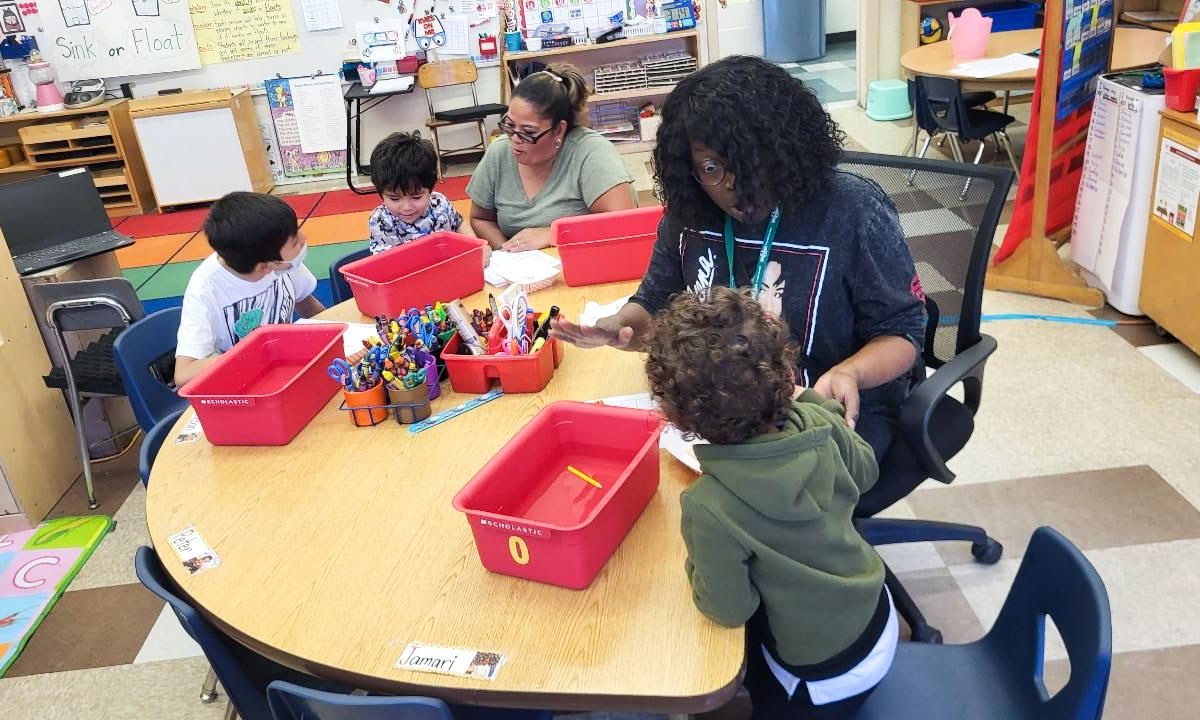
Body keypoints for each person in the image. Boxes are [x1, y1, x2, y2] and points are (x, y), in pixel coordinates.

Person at [551, 55, 926, 461]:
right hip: (723, 419)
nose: (733, 185)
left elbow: (904, 332)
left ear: (784, 149)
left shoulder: (851, 210)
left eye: (748, 164)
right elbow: (655, 303)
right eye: (711, 168)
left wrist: (850, 372)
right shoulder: (689, 213)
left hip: (828, 416)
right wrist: (621, 327)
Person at [645, 288, 897, 719]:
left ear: (677, 418)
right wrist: (815, 402)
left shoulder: (710, 505)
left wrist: (693, 565)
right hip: (878, 615)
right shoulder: (817, 419)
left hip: (820, 676)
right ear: (786, 371)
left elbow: (728, 609)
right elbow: (866, 471)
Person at [466, 63, 635, 252]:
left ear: (559, 130)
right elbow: (480, 218)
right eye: (510, 125)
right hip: (525, 273)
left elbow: (624, 224)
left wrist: (553, 234)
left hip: (584, 263)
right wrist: (507, 252)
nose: (514, 139)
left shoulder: (590, 152)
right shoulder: (500, 152)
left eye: (528, 131)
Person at [174, 192, 324, 386]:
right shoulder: (205, 289)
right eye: (294, 241)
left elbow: (308, 305)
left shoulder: (282, 261)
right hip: (244, 385)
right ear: (265, 267)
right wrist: (258, 352)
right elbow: (183, 374)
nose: (303, 239)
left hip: (288, 372)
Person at [367, 131, 464, 254]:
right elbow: (386, 264)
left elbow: (459, 223)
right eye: (395, 199)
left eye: (416, 197)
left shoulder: (440, 204)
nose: (407, 207)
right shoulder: (381, 220)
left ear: (430, 189)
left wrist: (477, 246)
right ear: (381, 193)